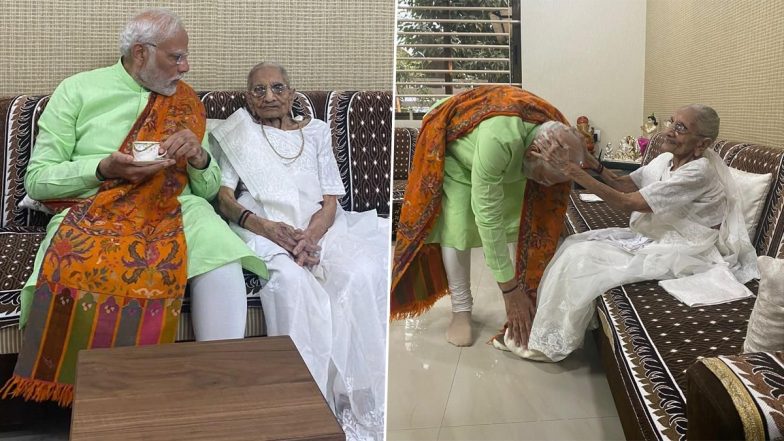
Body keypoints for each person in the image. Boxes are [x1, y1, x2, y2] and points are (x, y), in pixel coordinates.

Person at [0, 9, 267, 406]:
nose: (186, 66)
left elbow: (209, 190)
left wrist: (199, 158)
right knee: (75, 264)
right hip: (96, 206)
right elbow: (38, 180)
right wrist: (102, 168)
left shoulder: (186, 101)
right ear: (141, 53)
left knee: (221, 256)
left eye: (185, 56)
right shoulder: (78, 90)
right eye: (176, 57)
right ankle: (109, 405)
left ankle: (218, 391)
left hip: (175, 205)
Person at [210, 62, 388, 441]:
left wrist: (310, 237)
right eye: (259, 90)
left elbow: (330, 200)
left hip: (319, 228)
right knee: (290, 283)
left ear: (292, 93)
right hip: (262, 228)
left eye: (277, 88)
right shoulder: (238, 132)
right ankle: (302, 403)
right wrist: (267, 228)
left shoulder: (319, 131)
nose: (269, 96)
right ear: (248, 98)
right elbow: (224, 199)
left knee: (363, 273)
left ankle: (354, 398)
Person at [497, 104, 758, 361]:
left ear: (702, 144)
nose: (668, 131)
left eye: (680, 128)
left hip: (687, 248)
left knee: (582, 258)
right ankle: (542, 328)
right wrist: (590, 163)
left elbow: (628, 202)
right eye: (671, 122)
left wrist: (572, 170)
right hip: (659, 236)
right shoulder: (667, 160)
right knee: (575, 243)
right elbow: (622, 183)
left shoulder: (699, 171)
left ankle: (549, 342)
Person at [391, 85, 584, 348]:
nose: (546, 185)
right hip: (456, 152)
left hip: (507, 157)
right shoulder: (500, 142)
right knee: (457, 227)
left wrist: (604, 175)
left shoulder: (558, 130)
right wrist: (509, 290)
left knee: (522, 220)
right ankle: (461, 309)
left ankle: (530, 297)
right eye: (543, 177)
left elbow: (579, 168)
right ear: (532, 155)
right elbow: (488, 218)